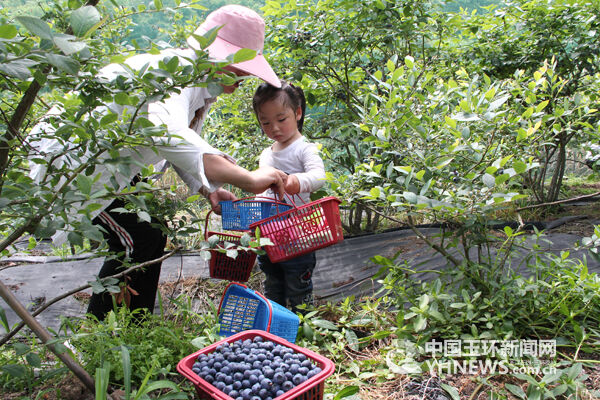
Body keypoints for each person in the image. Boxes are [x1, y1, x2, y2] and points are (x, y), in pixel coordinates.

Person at [29, 5, 288, 320]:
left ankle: (136, 325)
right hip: (81, 169)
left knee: (152, 234)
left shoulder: (194, 88)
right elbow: (170, 137)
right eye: (240, 66)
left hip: (116, 168)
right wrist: (249, 178)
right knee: (135, 241)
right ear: (218, 58)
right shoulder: (170, 74)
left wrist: (208, 191)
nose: (245, 74)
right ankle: (98, 333)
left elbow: (185, 147)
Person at [251, 81, 326, 313]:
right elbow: (262, 191)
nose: (274, 127)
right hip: (270, 235)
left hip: (299, 235)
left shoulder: (305, 148)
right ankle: (276, 325)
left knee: (298, 286)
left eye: (281, 119)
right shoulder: (266, 155)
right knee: (273, 285)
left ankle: (305, 326)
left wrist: (295, 181)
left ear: (298, 112)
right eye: (265, 122)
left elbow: (318, 177)